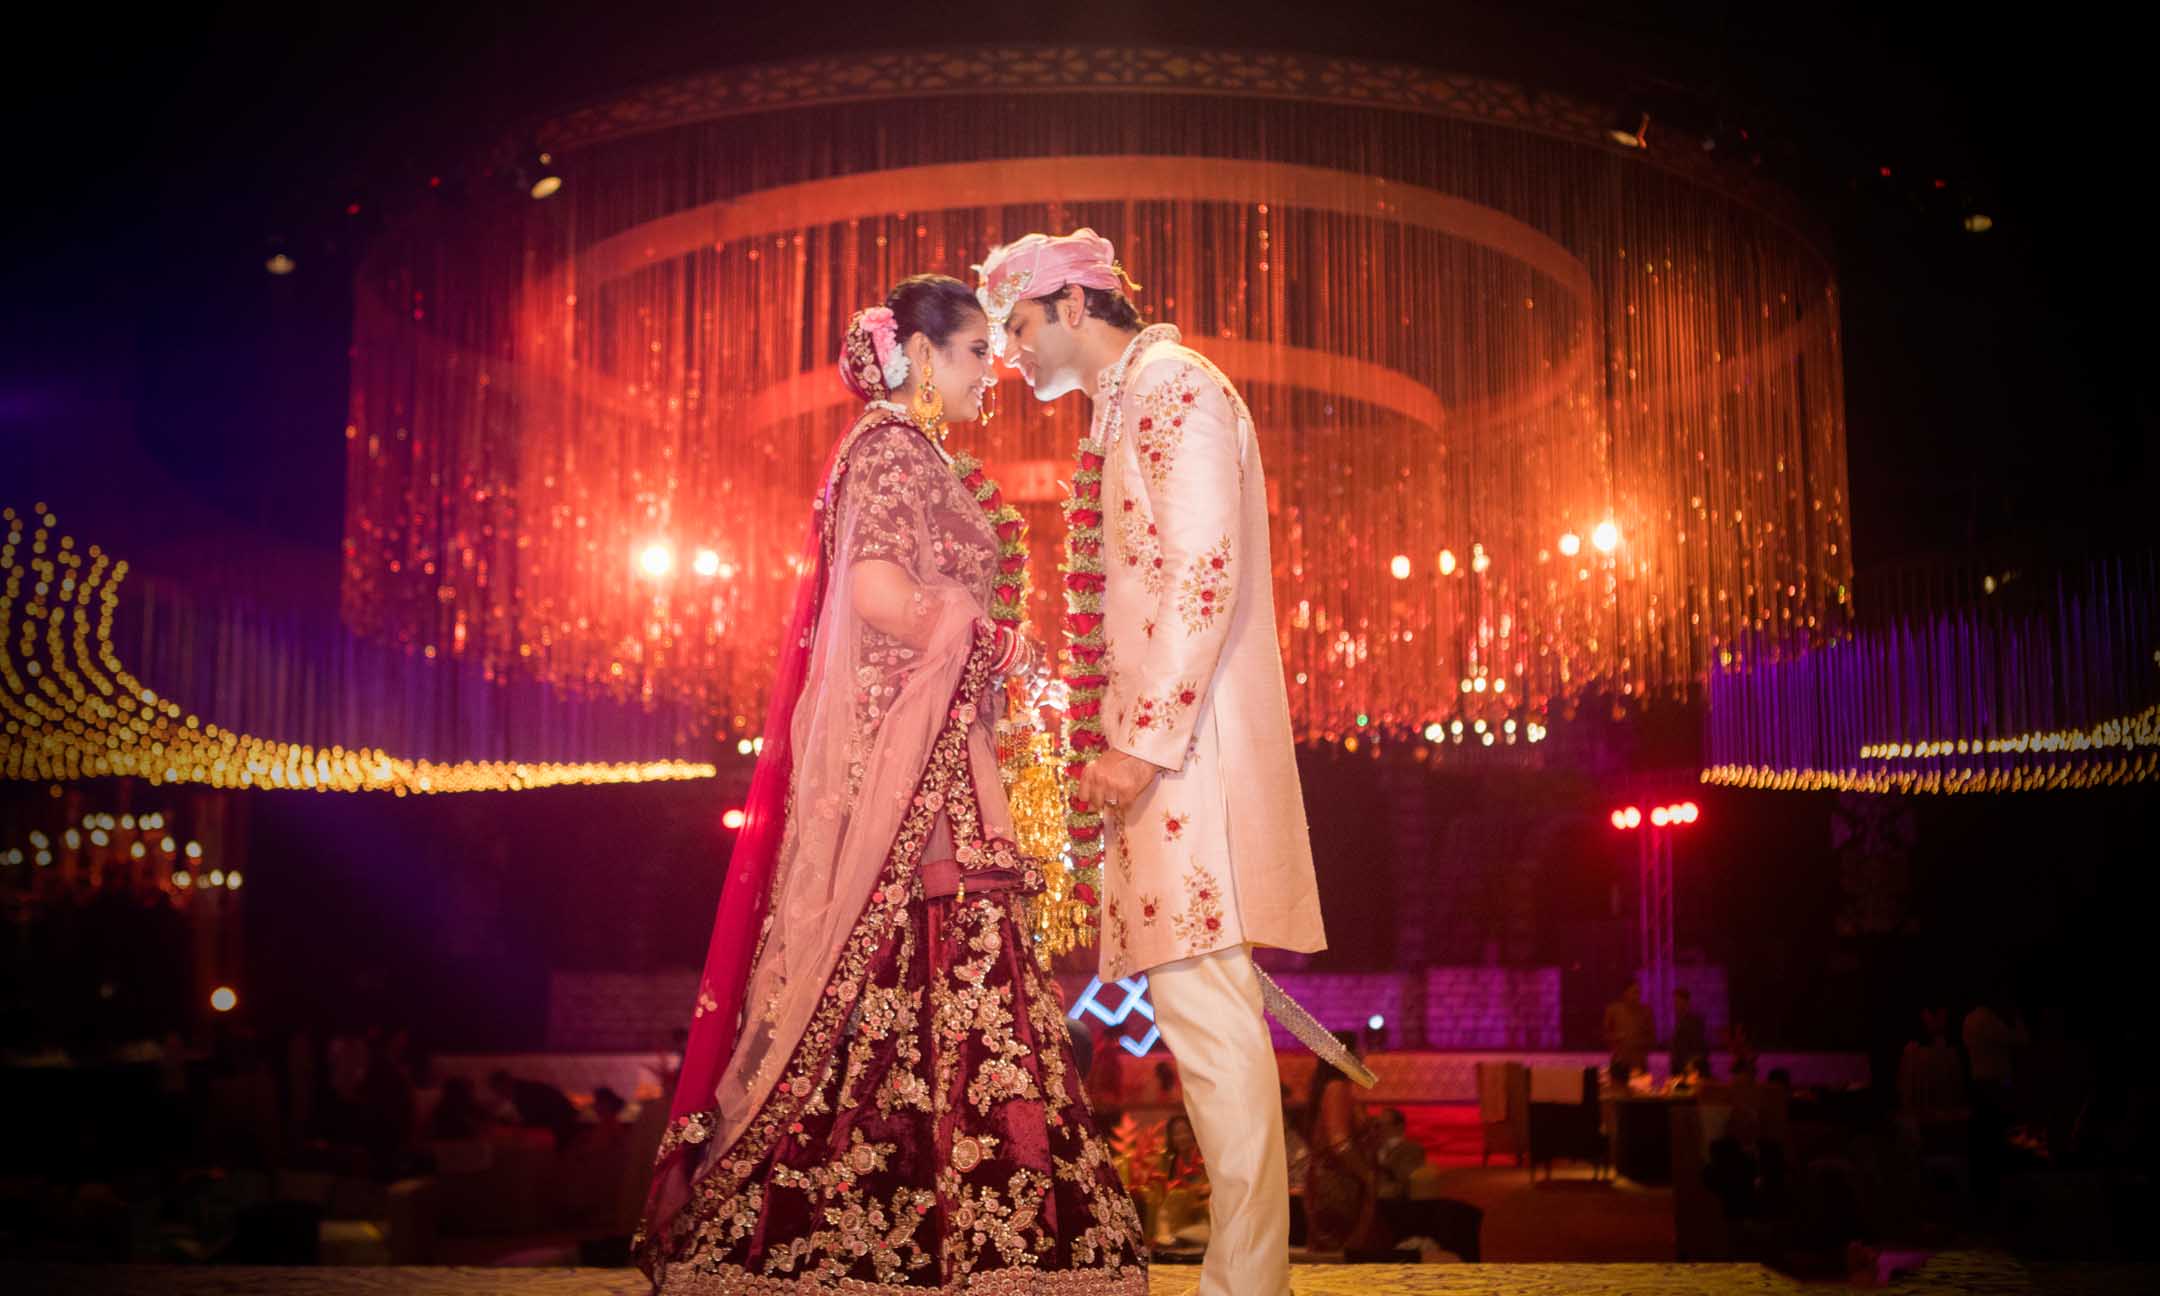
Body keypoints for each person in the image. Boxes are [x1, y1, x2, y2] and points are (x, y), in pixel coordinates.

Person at [635, 275, 1146, 1292]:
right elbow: (873, 592)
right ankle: (891, 1236)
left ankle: (964, 1235)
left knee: (953, 975)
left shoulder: (918, 453)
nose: (992, 373)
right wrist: (990, 637)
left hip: (946, 757)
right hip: (910, 774)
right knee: (915, 972)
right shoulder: (887, 449)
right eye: (975, 353)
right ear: (915, 352)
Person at [977, 227, 1328, 1296]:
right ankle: (1245, 1280)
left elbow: (1203, 573)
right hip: (1165, 760)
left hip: (1187, 759)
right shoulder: (1125, 402)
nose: (1011, 354)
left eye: (1020, 327)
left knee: (1212, 1026)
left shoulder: (1175, 387)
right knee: (1202, 1024)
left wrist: (1138, 741)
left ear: (1075, 305)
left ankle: (1248, 1286)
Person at [1302, 1031, 1390, 1253]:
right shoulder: (1336, 1088)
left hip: (1335, 1183)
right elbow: (1339, 1143)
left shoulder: (1335, 1087)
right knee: (1340, 1257)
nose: (1361, 1055)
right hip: (1338, 1187)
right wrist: (1367, 1176)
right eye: (1356, 1050)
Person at [490, 1068, 580, 1149]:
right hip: (565, 1120)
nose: (500, 1094)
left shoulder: (524, 1095)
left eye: (499, 1090)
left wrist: (512, 1124)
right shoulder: (524, 1090)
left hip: (563, 1124)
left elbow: (532, 1120)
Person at [1604, 980, 1655, 1086]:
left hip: (1639, 1062)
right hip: (1620, 1062)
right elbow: (1605, 1033)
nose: (1637, 996)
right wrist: (1615, 1039)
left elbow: (1652, 1037)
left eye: (1638, 992)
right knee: (1618, 1089)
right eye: (1634, 992)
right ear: (1625, 993)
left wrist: (1638, 1043)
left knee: (1640, 1090)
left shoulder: (1645, 1012)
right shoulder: (1614, 1010)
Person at [1671, 987, 1711, 1080]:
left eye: (1678, 1002)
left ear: (1686, 1002)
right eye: (1674, 1002)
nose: (1675, 1005)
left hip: (1690, 1068)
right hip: (1682, 1067)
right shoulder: (1680, 1020)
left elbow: (1698, 1046)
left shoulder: (1694, 1021)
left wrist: (1690, 1064)